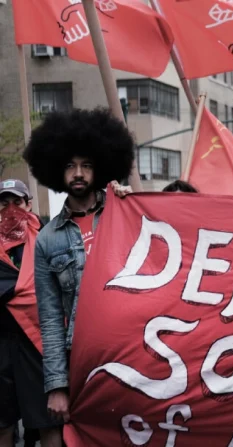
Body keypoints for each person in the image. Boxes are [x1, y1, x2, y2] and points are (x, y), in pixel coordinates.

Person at [23, 108, 134, 425]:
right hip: (83, 357)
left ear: (100, 168)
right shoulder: (47, 239)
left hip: (131, 348)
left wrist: (134, 205)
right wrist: (57, 386)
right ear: (56, 170)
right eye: (70, 166)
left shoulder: (124, 213)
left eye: (86, 165)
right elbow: (50, 319)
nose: (78, 173)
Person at [0, 180, 61, 447]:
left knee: (48, 420)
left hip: (37, 344)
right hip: (2, 342)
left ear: (29, 205)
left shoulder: (47, 239)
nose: (11, 209)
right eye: (4, 203)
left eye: (17, 202)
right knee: (2, 423)